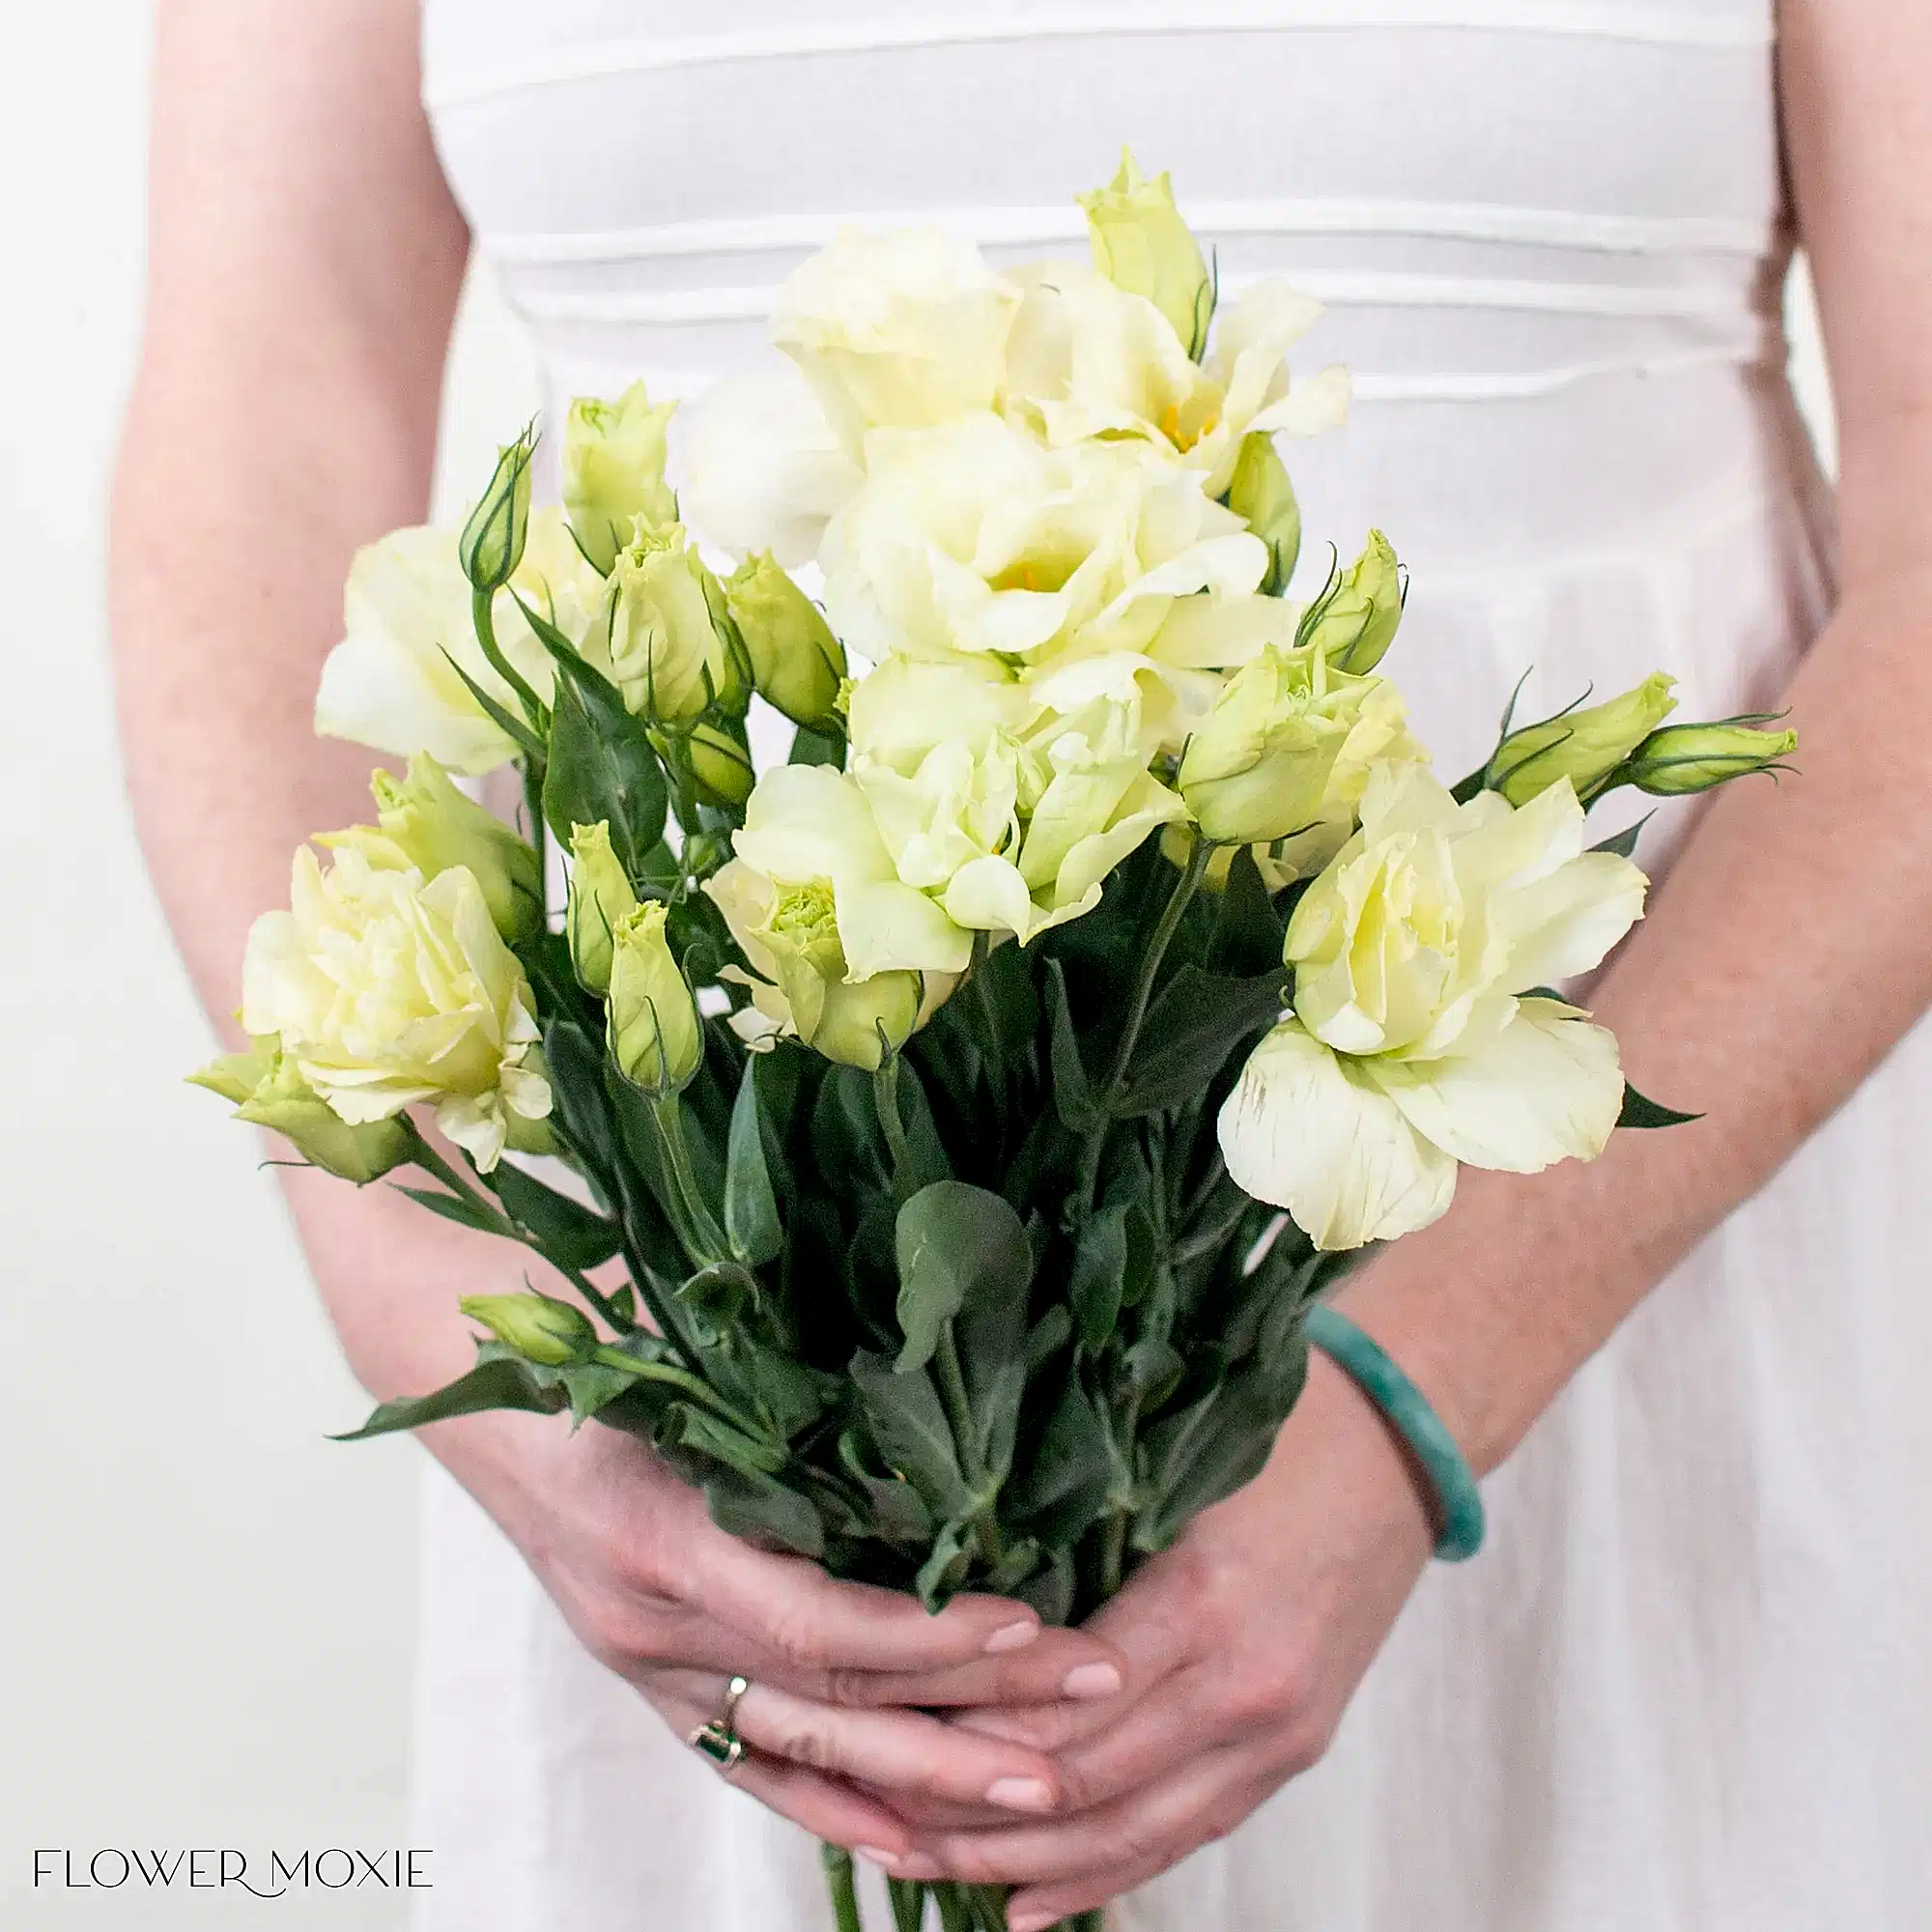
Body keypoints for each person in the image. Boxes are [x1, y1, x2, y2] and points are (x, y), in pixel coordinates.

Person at [114, 1, 1932, 1927]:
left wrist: (1419, 1391)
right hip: (714, 1312)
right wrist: (440, 1291)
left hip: (1601, 1260)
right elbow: (263, 393)